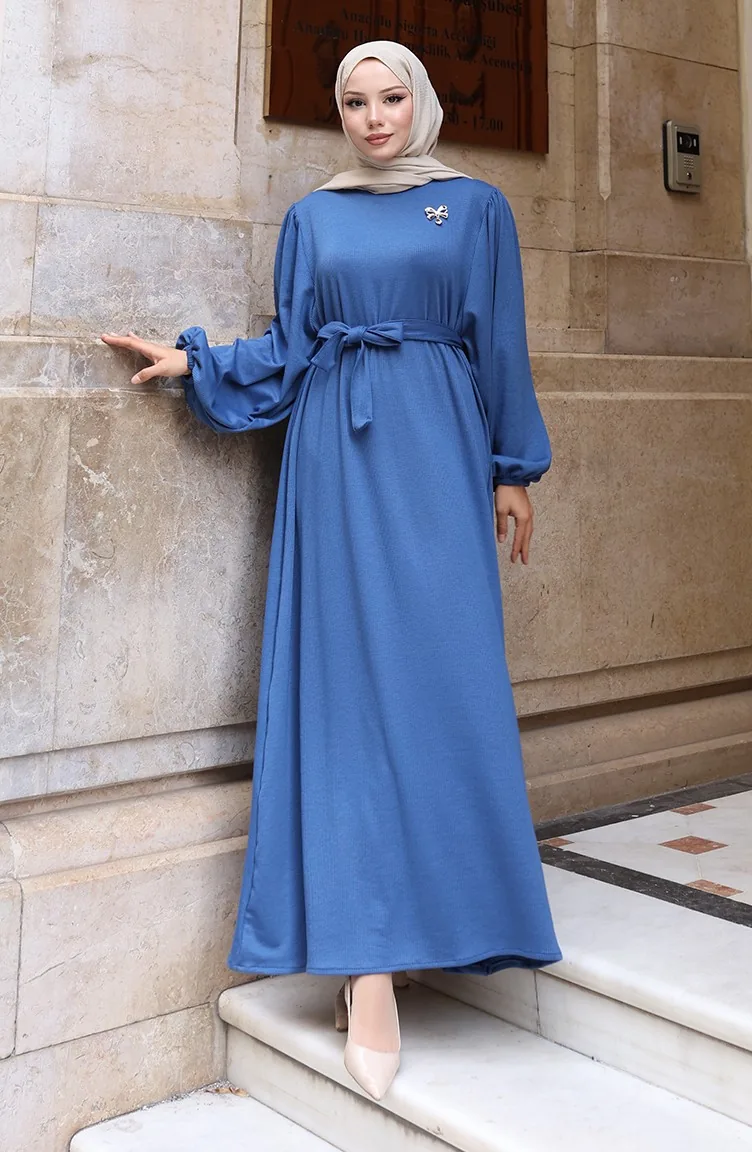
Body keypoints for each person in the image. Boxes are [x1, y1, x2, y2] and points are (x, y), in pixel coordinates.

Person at [101, 40, 562, 1102]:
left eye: (391, 97)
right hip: (335, 460)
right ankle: (367, 964)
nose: (373, 117)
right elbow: (293, 345)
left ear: (421, 102)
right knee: (345, 694)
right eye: (354, 101)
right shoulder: (314, 216)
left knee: (444, 685)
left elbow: (499, 343)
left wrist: (512, 471)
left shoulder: (475, 208)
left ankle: (451, 916)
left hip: (439, 451)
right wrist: (197, 363)